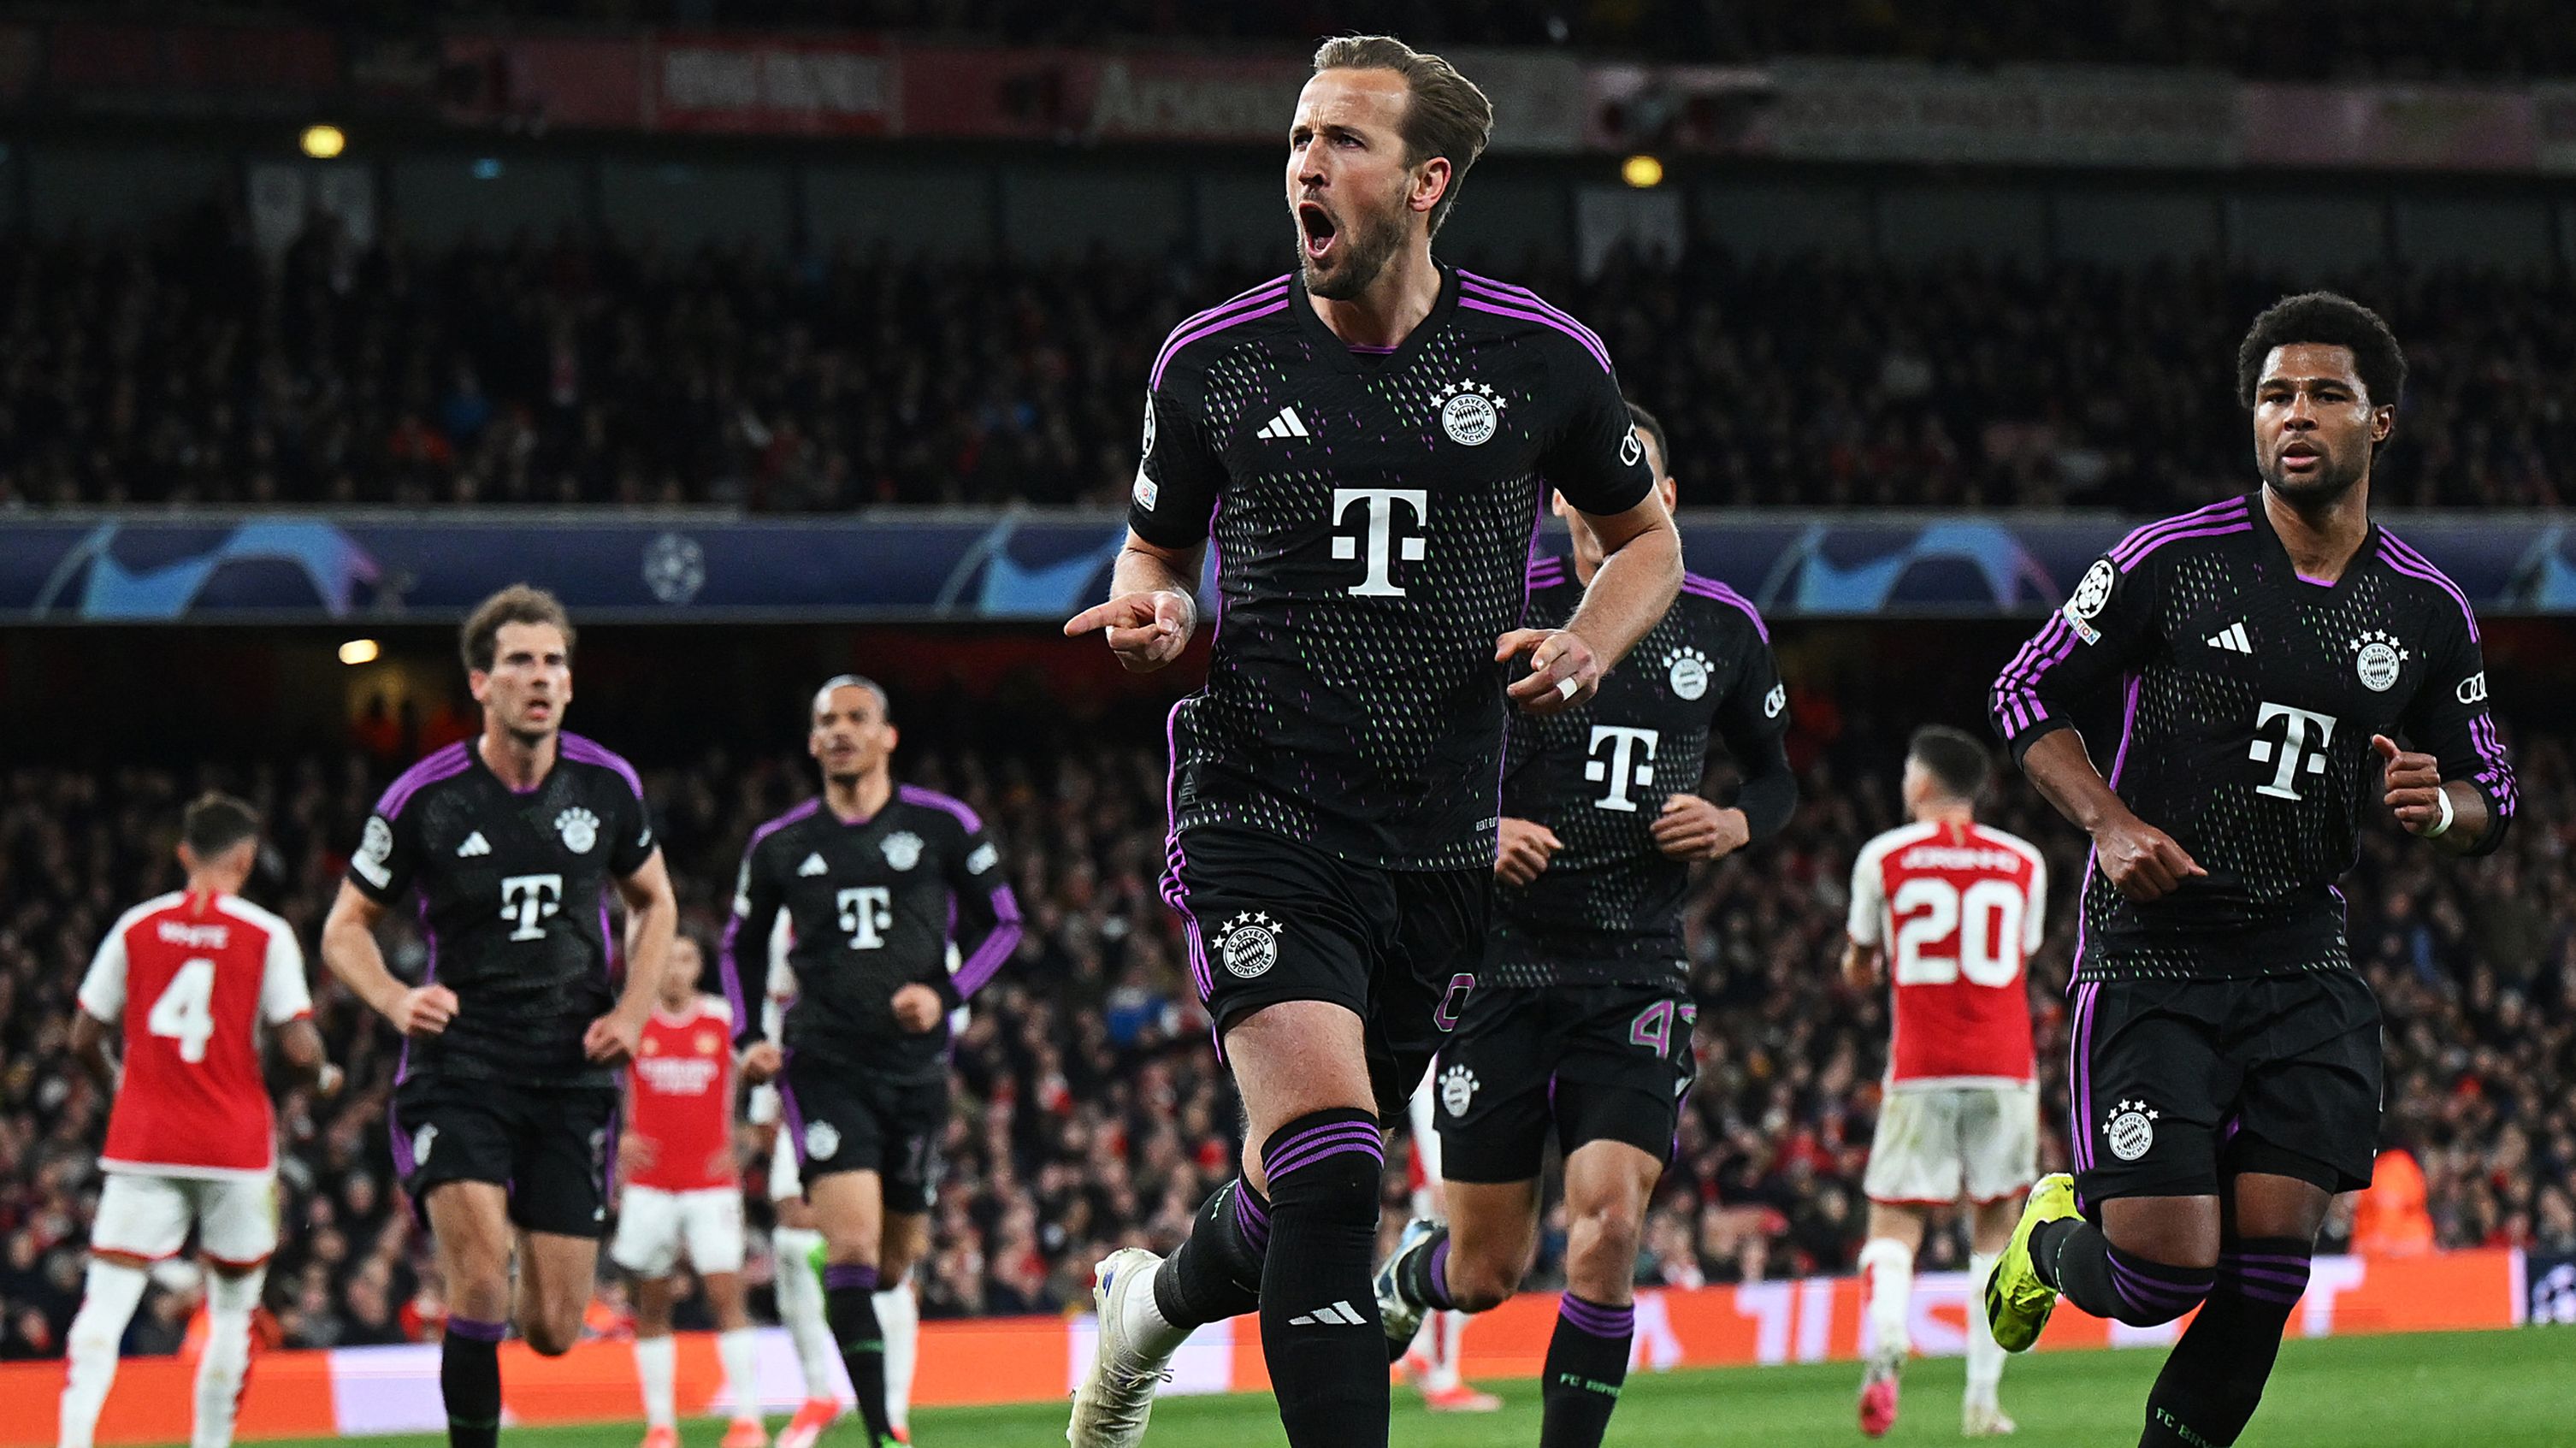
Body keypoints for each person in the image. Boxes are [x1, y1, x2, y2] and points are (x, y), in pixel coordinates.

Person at [1061, 35, 1683, 1448]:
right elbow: (1152, 552)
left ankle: (1146, 1308)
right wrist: (1155, 612)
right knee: (1339, 1169)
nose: (1304, 166)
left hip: (1440, 832)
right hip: (1258, 805)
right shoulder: (1212, 361)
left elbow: (1647, 541)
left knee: (1302, 1184)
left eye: (1342, 141)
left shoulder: (1540, 357)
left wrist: (1589, 635)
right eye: (1297, 138)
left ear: (1425, 181)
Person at [1985, 293, 2516, 1448]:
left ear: (2382, 421)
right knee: (2164, 1275)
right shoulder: (2171, 562)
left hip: (2302, 968)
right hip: (2153, 961)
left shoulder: (2426, 610)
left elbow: (2494, 796)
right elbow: (2025, 691)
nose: (2298, 416)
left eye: (2328, 395)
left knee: (2268, 1276)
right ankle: (2044, 1240)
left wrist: (2443, 810)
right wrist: (2110, 824)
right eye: (2277, 395)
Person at [1373, 404, 1790, 1448]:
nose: (1617, 492)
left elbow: (1778, 777)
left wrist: (1736, 817)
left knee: (1607, 1226)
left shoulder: (1724, 626)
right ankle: (1409, 1276)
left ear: (1669, 500)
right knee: (1482, 1275)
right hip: (1493, 969)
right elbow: (1398, 756)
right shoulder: (1495, 604)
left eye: (1641, 475)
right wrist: (1481, 826)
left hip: (1635, 972)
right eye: (1596, 476)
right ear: (1561, 492)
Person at [322, 584, 679, 1448]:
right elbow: (344, 928)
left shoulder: (606, 785)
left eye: (554, 660)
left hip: (570, 1074)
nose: (541, 677)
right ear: (480, 681)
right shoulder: (426, 797)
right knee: (476, 1285)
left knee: (555, 1327)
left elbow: (655, 902)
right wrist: (396, 997)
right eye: (520, 660)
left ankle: (517, 1286)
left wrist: (633, 1012)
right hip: (461, 1069)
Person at [720, 676, 1022, 1448]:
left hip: (917, 1071)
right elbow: (740, 946)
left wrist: (947, 991)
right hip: (822, 1065)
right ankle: (884, 1434)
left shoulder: (942, 825)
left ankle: (872, 1382)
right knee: (848, 1250)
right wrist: (749, 1034)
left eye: (858, 718)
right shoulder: (781, 844)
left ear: (888, 735)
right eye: (827, 721)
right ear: (814, 741)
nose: (842, 731)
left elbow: (1003, 923)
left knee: (892, 1263)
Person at [59, 794, 338, 1448]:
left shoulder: (136, 925)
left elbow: (82, 1036)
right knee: (234, 1313)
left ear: (184, 853)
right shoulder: (266, 935)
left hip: (145, 1141)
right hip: (234, 1147)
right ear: (246, 857)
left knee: (105, 1302)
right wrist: (312, 1077)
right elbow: (299, 1049)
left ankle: (71, 1438)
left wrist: (122, 1091)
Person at [1841, 726, 2047, 1438]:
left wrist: (1862, 966)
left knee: (1895, 1218)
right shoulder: (2023, 862)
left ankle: (1889, 1333)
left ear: (1923, 784)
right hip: (2004, 1066)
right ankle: (1982, 1401)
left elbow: (1862, 963)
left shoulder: (1884, 857)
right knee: (1993, 1227)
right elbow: (2020, 952)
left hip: (1922, 1066)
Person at [611, 932, 765, 1448]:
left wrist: (745, 1146)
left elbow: (765, 1079)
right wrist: (618, 1142)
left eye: (685, 957)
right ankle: (660, 1426)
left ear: (698, 967)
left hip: (710, 1183)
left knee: (726, 1293)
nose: (675, 968)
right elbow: (601, 1089)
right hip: (650, 1184)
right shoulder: (632, 1020)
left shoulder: (723, 1019)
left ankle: (748, 1420)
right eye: (667, 958)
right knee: (651, 1303)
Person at [1395, 1072, 1498, 1413]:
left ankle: (1421, 1347)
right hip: (1442, 1170)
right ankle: (1442, 1379)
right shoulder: (1447, 1026)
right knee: (1450, 1268)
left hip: (1460, 1164)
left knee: (1484, 1270)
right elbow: (1424, 1095)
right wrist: (1439, 1173)